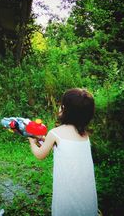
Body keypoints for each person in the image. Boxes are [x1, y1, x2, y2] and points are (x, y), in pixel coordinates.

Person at [28, 88, 98, 216]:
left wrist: (32, 142)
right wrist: (45, 139)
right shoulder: (84, 135)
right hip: (85, 191)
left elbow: (40, 155)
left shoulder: (55, 133)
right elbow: (65, 146)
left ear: (65, 110)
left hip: (67, 192)